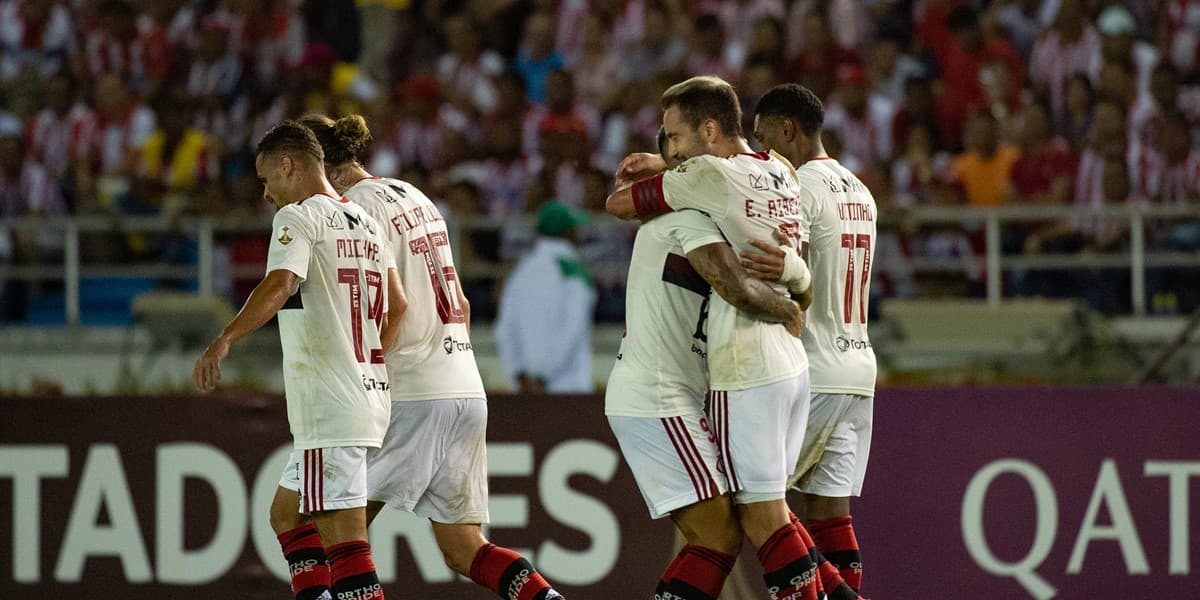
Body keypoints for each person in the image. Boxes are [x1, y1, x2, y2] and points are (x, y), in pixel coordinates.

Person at [298, 113, 565, 600]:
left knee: (320, 528)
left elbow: (384, 307)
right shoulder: (413, 195)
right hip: (462, 384)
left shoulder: (349, 211)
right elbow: (459, 302)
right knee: (464, 548)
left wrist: (362, 374)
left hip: (407, 389)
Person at [607, 75, 825, 600]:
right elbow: (791, 270)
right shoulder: (784, 172)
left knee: (752, 522)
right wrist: (797, 290)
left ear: (708, 130)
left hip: (743, 363)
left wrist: (781, 307)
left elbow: (620, 204)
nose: (674, 151)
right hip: (784, 365)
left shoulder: (695, 195)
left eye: (675, 138)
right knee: (751, 520)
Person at [193, 121, 405, 600]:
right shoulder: (367, 222)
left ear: (287, 165)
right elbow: (398, 306)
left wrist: (225, 338)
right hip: (368, 397)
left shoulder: (299, 217)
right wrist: (364, 364)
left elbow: (280, 284)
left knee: (346, 543)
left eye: (266, 180)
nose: (266, 193)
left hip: (330, 407)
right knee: (285, 515)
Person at [749, 83, 878, 599]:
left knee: (761, 504)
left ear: (788, 130)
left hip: (815, 368)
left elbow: (787, 269)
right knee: (830, 514)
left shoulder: (797, 187)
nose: (760, 154)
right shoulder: (860, 190)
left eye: (763, 140)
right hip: (858, 368)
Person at [495, 200, 597, 394]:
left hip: (526, 390)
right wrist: (542, 377)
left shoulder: (520, 272)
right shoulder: (573, 271)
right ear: (568, 232)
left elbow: (504, 329)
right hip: (569, 387)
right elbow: (573, 329)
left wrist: (519, 374)